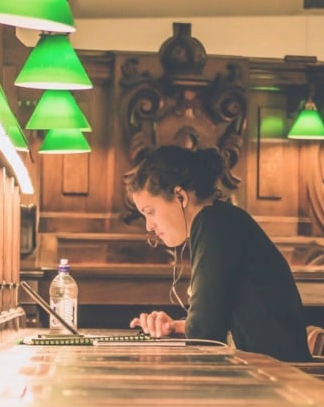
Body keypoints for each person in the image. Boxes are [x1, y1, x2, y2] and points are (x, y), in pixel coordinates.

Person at [126, 145, 311, 362]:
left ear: (180, 197)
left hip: (275, 381)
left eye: (150, 212)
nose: (149, 226)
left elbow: (205, 333)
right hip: (261, 375)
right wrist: (174, 326)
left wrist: (191, 327)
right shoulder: (221, 219)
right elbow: (217, 322)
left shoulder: (213, 224)